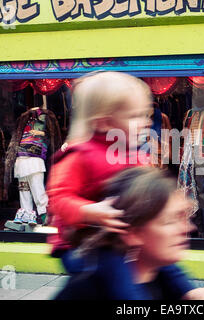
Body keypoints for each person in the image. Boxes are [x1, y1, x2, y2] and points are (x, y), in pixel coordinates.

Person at [55, 166, 204, 300]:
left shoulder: (166, 282)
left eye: (184, 217)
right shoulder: (90, 289)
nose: (187, 229)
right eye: (170, 221)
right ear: (133, 233)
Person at [46, 71, 153, 273]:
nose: (146, 122)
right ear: (105, 123)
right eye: (135, 116)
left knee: (164, 265)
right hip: (80, 244)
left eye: (145, 115)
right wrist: (90, 212)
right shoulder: (80, 155)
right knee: (113, 269)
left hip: (119, 240)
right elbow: (58, 198)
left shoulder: (136, 155)